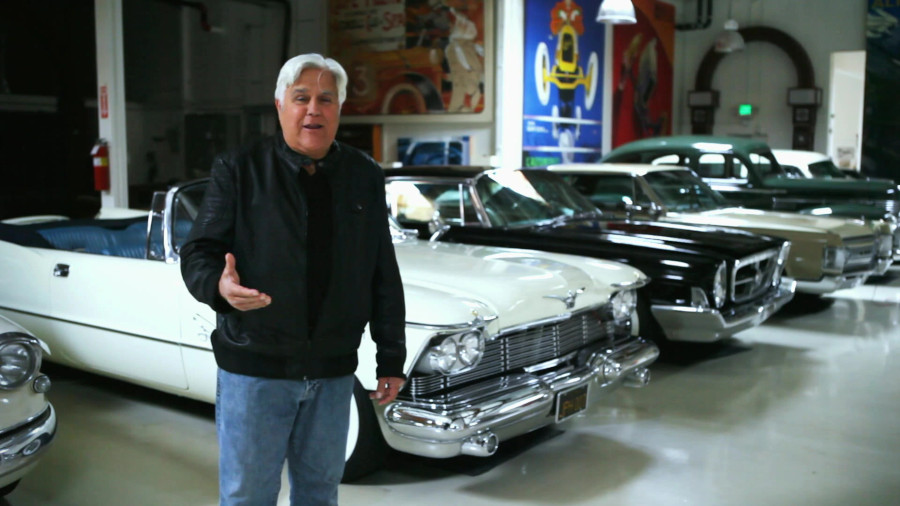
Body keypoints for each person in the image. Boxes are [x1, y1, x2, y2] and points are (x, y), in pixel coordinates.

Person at [180, 53, 407, 506]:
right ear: (280, 104)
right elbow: (199, 252)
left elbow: (382, 268)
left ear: (339, 109)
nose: (313, 110)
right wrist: (219, 290)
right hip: (256, 369)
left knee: (320, 494)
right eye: (301, 97)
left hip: (333, 369)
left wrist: (391, 357)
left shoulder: (363, 175)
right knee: (248, 495)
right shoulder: (240, 169)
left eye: (326, 99)